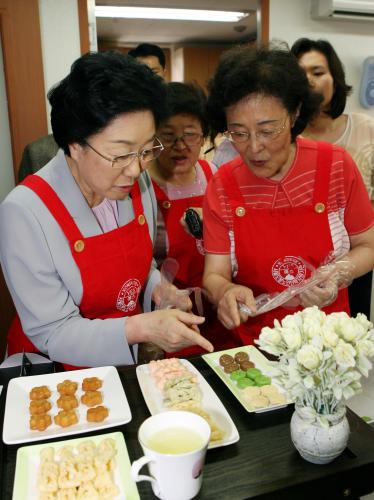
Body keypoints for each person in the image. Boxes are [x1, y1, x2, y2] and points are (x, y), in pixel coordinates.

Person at [0, 51, 213, 369]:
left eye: (145, 151)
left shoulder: (137, 187)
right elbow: (53, 332)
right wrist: (144, 327)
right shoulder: (26, 212)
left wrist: (160, 290)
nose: (135, 169)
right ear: (75, 143)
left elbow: (141, 268)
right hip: (55, 373)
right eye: (121, 154)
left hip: (122, 362)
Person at [202, 45, 374, 345]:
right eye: (239, 133)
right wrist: (224, 292)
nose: (254, 148)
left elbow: (368, 246)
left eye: (268, 130)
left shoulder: (336, 165)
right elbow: (213, 274)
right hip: (253, 344)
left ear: (295, 114)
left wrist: (338, 272)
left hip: (328, 342)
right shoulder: (222, 185)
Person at [148, 82, 237, 355]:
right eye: (168, 136)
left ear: (204, 136)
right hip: (171, 313)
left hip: (217, 306)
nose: (180, 146)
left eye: (190, 135)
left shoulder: (215, 174)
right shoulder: (142, 185)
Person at [291, 38, 374, 319]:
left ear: (334, 79)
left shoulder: (366, 128)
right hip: (301, 264)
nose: (310, 81)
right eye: (301, 74)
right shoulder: (286, 139)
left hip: (359, 257)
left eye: (318, 72)